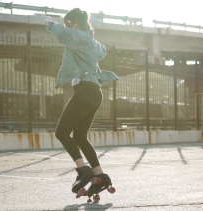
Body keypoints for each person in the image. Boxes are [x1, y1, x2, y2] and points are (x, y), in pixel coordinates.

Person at [45, 8, 118, 195]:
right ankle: (100, 176)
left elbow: (61, 33)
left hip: (85, 91)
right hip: (94, 93)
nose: (67, 27)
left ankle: (83, 170)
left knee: (61, 132)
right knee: (79, 137)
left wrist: (51, 24)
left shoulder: (80, 37)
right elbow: (103, 51)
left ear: (75, 24)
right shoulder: (91, 40)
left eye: (69, 24)